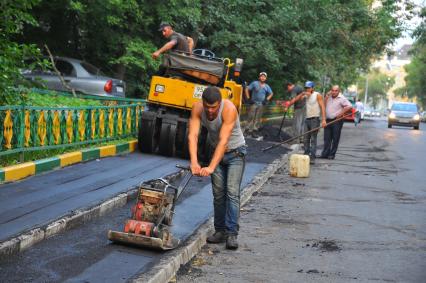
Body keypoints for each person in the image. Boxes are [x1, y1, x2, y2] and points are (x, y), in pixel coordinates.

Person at [188, 86, 247, 250]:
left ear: (220, 103)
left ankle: (232, 234)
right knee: (218, 194)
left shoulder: (228, 109)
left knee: (232, 193)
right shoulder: (197, 108)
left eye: (214, 107)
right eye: (207, 107)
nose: (210, 111)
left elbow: (223, 141)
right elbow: (193, 135)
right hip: (216, 153)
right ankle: (220, 231)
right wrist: (194, 162)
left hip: (236, 153)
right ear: (203, 103)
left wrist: (211, 167)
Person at [285, 81, 326, 164]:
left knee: (313, 139)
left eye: (309, 88)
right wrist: (301, 94)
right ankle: (306, 154)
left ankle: (312, 157)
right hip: (307, 120)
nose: (307, 89)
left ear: (312, 88)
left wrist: (323, 120)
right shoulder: (305, 96)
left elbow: (322, 107)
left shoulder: (317, 95)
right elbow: (296, 99)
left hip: (315, 119)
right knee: (306, 138)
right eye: (306, 88)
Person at [320, 85, 352, 159]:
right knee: (327, 138)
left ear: (339, 91)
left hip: (337, 121)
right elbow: (323, 106)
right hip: (328, 120)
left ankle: (332, 154)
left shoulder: (342, 98)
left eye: (336, 90)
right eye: (332, 90)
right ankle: (325, 154)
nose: (334, 92)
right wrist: (326, 96)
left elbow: (349, 106)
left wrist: (340, 114)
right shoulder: (329, 97)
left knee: (335, 138)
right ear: (331, 90)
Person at [244, 72, 273, 138]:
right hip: (254, 103)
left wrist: (266, 100)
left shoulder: (266, 86)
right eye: (261, 76)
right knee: (250, 117)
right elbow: (246, 89)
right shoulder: (255, 83)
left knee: (257, 118)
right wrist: (248, 98)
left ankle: (254, 131)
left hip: (261, 104)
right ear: (259, 77)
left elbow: (271, 93)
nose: (263, 78)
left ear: (266, 78)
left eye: (264, 77)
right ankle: (246, 130)